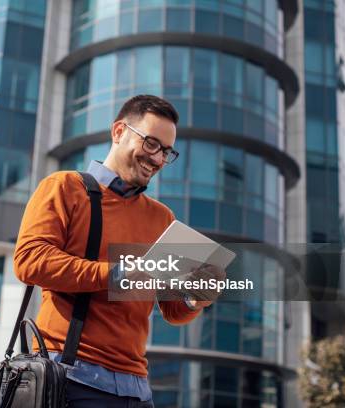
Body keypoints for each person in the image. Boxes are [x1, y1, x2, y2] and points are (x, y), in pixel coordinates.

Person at [13, 95, 225, 407]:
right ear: (118, 132)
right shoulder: (63, 187)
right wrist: (118, 273)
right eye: (151, 144)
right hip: (72, 377)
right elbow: (30, 261)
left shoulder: (162, 218)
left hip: (136, 388)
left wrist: (196, 297)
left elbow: (172, 309)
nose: (158, 160)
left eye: (167, 152)